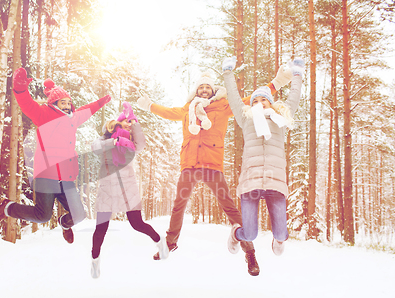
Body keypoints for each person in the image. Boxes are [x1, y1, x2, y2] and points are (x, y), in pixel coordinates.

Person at [136, 67, 292, 276]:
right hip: (189, 166)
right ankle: (170, 243)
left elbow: (250, 100)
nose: (204, 90)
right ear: (196, 91)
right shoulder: (186, 109)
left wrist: (276, 83)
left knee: (230, 208)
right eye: (201, 87)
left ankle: (249, 252)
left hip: (212, 166)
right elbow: (167, 112)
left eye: (207, 87)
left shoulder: (223, 106)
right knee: (178, 206)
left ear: (213, 90)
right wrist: (150, 106)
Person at [0, 67, 111, 244]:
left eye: (68, 102)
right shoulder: (44, 115)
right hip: (46, 175)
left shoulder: (73, 119)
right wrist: (20, 88)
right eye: (63, 102)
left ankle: (64, 223)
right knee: (42, 216)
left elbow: (88, 109)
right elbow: (27, 105)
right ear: (54, 102)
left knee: (79, 215)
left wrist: (101, 102)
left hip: (66, 177)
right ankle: (6, 207)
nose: (67, 105)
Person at [222, 56, 304, 256]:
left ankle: (279, 239)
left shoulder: (280, 118)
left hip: (275, 182)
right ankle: (236, 234)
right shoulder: (246, 119)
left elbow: (294, 97)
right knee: (249, 234)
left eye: (263, 100)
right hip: (251, 181)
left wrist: (297, 74)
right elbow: (233, 98)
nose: (259, 103)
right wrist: (228, 72)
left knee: (281, 232)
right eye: (255, 101)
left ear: (271, 102)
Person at [90, 102, 168, 278]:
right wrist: (115, 140)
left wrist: (135, 123)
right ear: (117, 122)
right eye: (125, 120)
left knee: (137, 223)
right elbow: (94, 147)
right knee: (101, 228)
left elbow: (141, 144)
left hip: (127, 187)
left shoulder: (132, 143)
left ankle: (160, 242)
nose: (128, 123)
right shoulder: (105, 139)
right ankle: (95, 260)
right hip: (107, 188)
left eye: (131, 122)